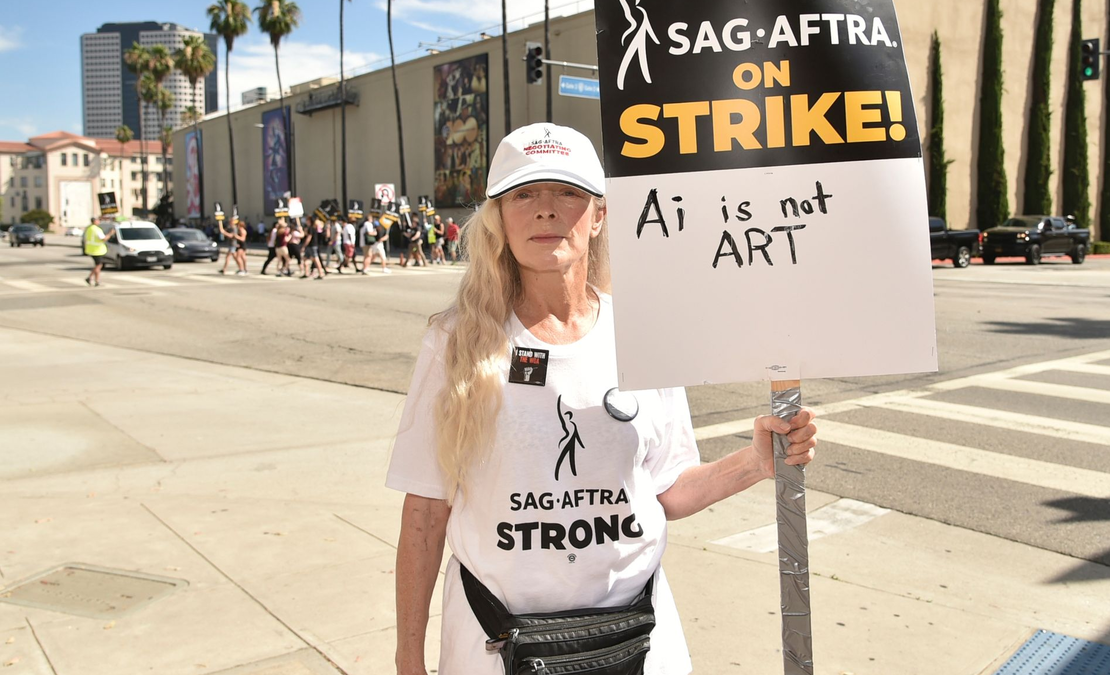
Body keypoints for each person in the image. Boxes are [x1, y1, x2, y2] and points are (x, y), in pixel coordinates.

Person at [386, 123, 819, 675]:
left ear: (599, 214)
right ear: (500, 218)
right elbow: (425, 512)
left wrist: (758, 461)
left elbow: (669, 490)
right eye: (524, 194)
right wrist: (408, 659)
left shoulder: (643, 333)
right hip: (494, 650)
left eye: (566, 192)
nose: (545, 210)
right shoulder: (455, 342)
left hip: (640, 643)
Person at [83, 217, 115, 286]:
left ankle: (90, 277)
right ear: (94, 221)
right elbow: (103, 239)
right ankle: (96, 281)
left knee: (98, 265)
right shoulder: (96, 229)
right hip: (97, 250)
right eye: (98, 220)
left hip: (91, 250)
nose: (99, 221)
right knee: (98, 266)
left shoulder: (89, 229)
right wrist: (110, 233)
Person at [303, 215, 327, 280]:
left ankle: (321, 273)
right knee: (305, 258)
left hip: (312, 246)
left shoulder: (311, 228)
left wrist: (304, 245)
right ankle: (306, 273)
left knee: (316, 260)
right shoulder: (312, 228)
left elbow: (309, 237)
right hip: (311, 246)